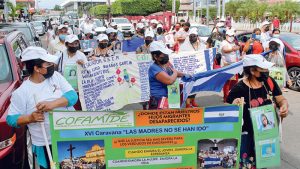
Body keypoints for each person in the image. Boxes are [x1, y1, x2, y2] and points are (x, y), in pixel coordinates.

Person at [6, 46, 78, 169]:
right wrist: (30, 118)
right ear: (37, 68)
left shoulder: (56, 77)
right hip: (45, 143)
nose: (52, 66)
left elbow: (72, 96)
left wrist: (52, 104)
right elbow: (11, 119)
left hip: (69, 135)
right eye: (48, 64)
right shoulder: (22, 92)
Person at [226, 54, 288, 167]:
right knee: (247, 165)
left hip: (266, 136)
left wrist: (284, 106)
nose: (266, 71)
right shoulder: (239, 88)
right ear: (252, 71)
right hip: (247, 137)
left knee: (263, 164)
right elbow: (226, 111)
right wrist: (235, 105)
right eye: (263, 69)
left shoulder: (269, 82)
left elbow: (281, 99)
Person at [148, 41, 185, 109]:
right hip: (158, 101)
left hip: (168, 99)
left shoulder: (166, 63)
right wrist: (175, 74)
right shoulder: (154, 68)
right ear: (155, 56)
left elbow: (173, 71)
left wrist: (185, 75)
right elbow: (170, 80)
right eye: (164, 54)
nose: (166, 56)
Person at [179, 28, 205, 108]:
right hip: (188, 69)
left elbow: (205, 53)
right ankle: (187, 103)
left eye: (194, 36)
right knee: (189, 87)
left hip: (198, 69)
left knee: (196, 86)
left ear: (197, 36)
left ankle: (193, 100)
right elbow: (180, 56)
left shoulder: (201, 45)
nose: (192, 37)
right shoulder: (184, 46)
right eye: (191, 36)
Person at [221, 30, 240, 102]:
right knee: (227, 82)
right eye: (230, 36)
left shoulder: (233, 43)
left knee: (234, 82)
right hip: (226, 64)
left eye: (232, 36)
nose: (231, 37)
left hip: (234, 64)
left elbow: (236, 52)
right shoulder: (224, 42)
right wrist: (233, 49)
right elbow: (225, 50)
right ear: (226, 36)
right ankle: (226, 97)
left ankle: (231, 95)